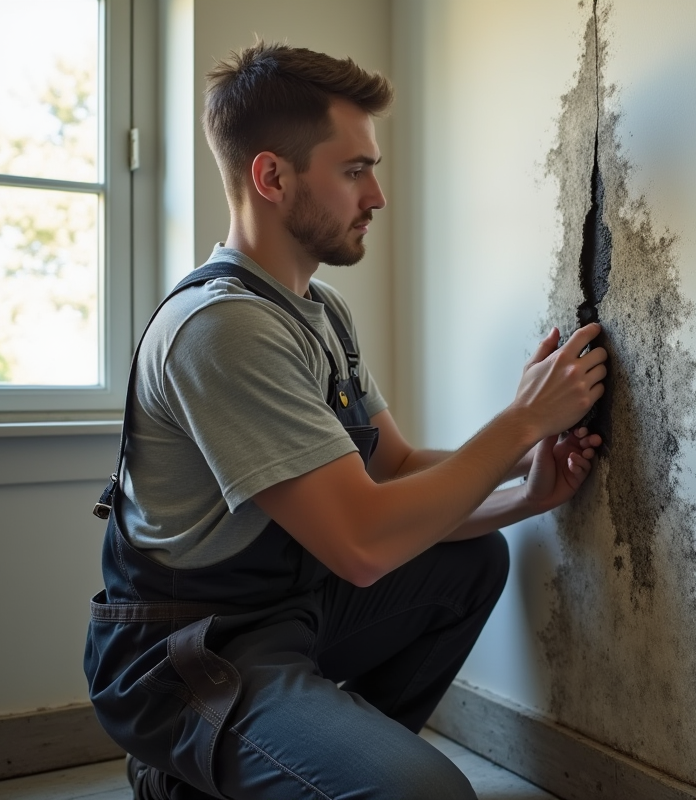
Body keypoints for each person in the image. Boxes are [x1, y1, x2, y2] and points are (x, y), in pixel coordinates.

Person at [84, 42, 607, 800]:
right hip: (190, 658)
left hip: (287, 611)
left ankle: (299, 768)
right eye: (355, 170)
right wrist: (521, 422)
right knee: (426, 794)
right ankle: (191, 778)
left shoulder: (320, 312)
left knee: (471, 562)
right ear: (272, 177)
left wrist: (522, 494)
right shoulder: (220, 329)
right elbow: (363, 544)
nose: (377, 197)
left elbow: (392, 472)